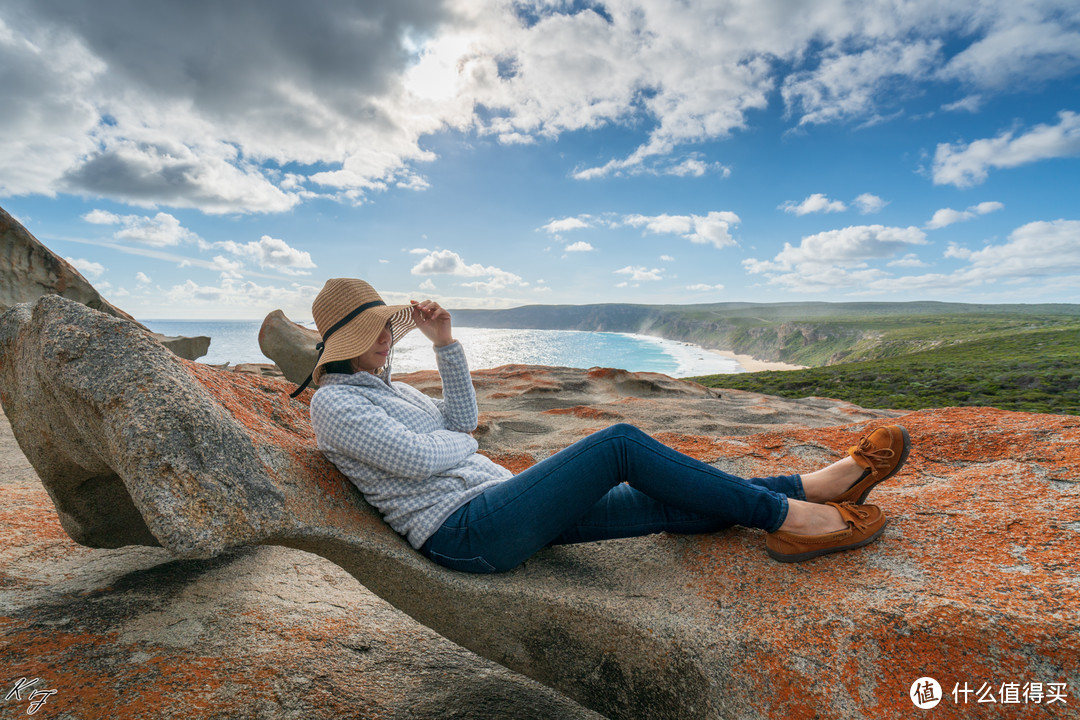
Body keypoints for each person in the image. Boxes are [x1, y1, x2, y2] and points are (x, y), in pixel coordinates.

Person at [302, 278, 910, 573]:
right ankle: (791, 521)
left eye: (386, 325)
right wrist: (458, 443)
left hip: (495, 505)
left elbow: (462, 421)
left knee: (666, 495)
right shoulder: (332, 405)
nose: (384, 338)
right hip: (464, 532)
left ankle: (810, 486)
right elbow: (418, 459)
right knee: (619, 444)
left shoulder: (392, 389)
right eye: (371, 331)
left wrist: (446, 344)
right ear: (339, 344)